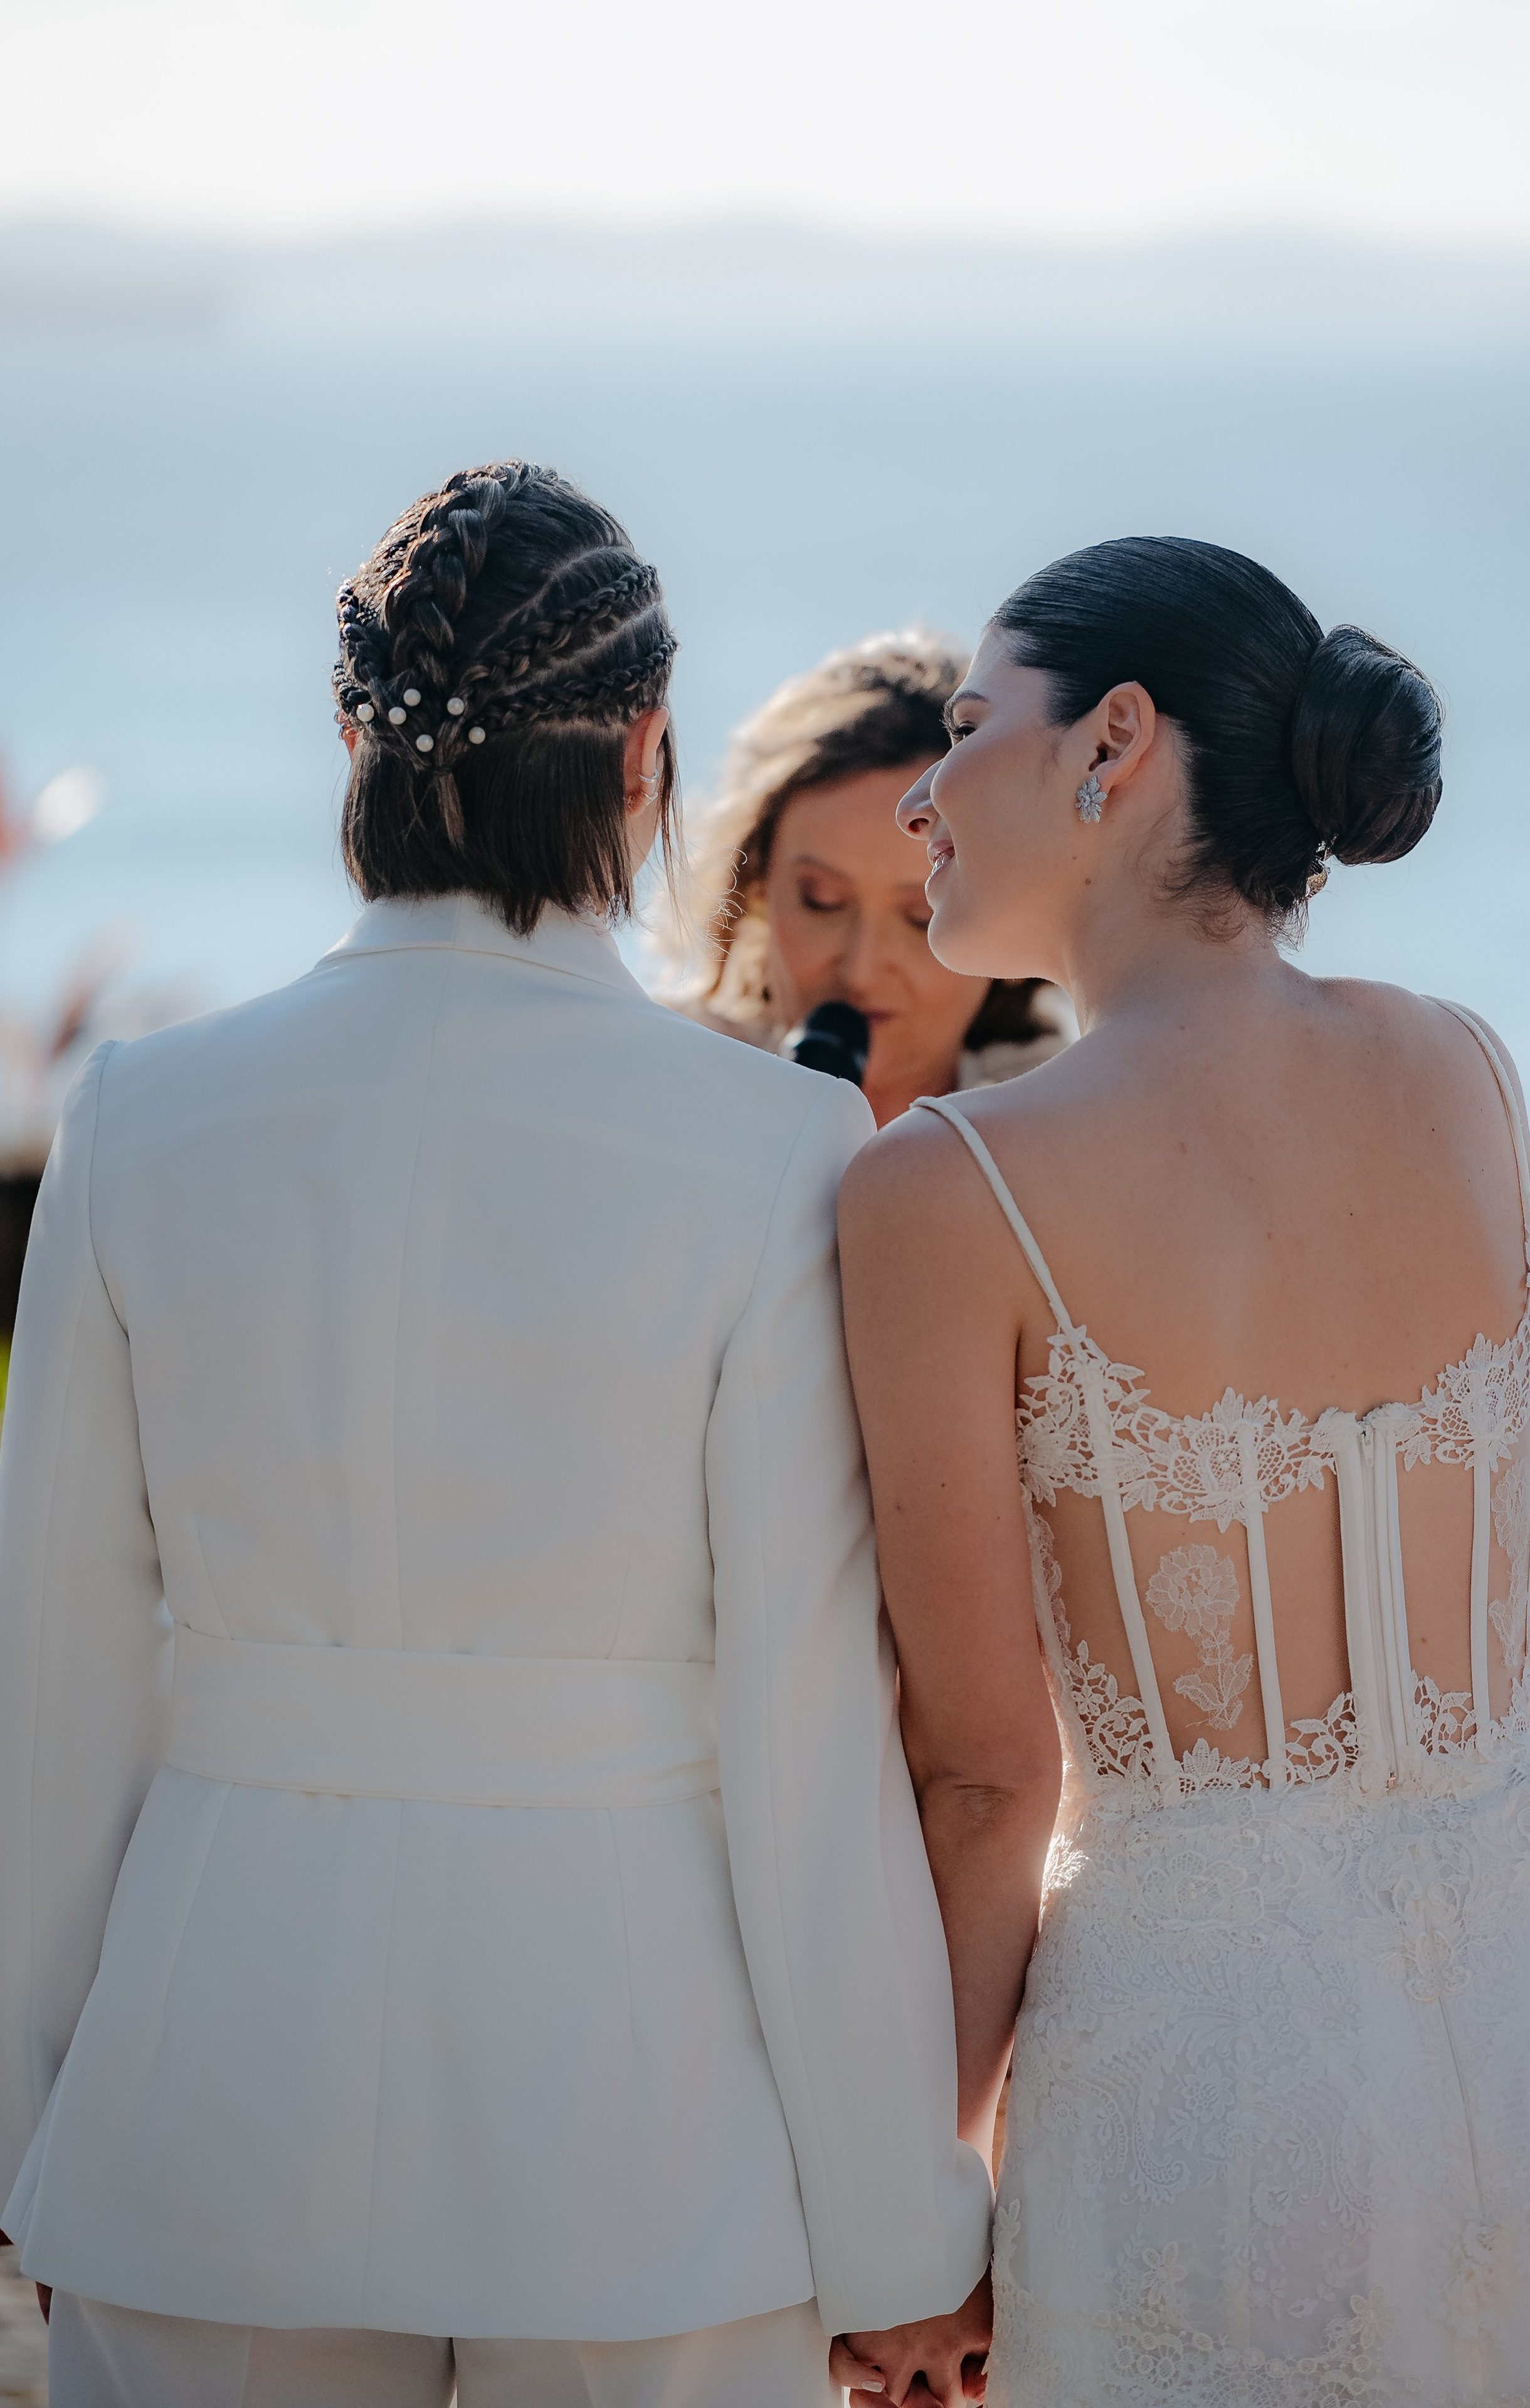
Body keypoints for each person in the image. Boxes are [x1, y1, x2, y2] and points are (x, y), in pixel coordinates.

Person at [0, 461, 991, 2407]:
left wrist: (25, 2115)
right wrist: (893, 2222)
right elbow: (802, 1740)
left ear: (351, 740)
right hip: (637, 2113)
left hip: (210, 2080)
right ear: (644, 755)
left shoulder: (135, 1119)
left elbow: (55, 1687)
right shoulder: (768, 1150)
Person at [835, 537, 1530, 2403]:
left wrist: (912, 2208)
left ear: (1114, 742)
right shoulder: (1471, 1071)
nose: (923, 799)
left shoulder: (953, 1184)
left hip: (1214, 2061)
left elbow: (982, 1774)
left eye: (961, 729)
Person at [670, 631, 1068, 1125]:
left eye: (924, 916)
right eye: (822, 901)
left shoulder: (1082, 1130)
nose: (861, 972)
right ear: (756, 888)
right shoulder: (665, 1082)